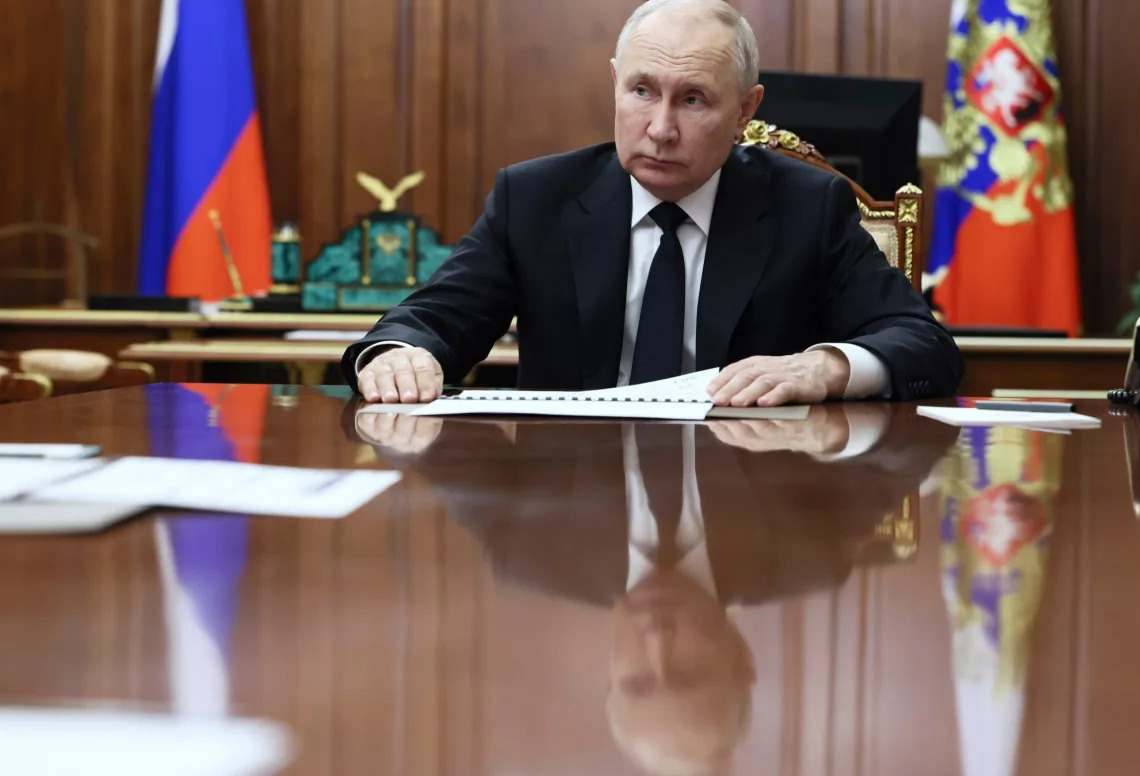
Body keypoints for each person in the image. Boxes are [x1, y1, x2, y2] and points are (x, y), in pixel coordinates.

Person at [344, 0, 962, 406]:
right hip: (571, 505)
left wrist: (823, 367)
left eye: (693, 100)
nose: (660, 128)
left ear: (747, 108)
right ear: (615, 80)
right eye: (642, 91)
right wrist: (400, 354)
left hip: (754, 504)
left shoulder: (807, 205)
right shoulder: (535, 199)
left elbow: (922, 343)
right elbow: (430, 320)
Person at [345, 402, 959, 775]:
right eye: (686, 672)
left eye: (639, 680)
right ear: (741, 658)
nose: (657, 642)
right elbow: (913, 450)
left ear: (610, 673)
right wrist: (834, 394)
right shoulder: (808, 552)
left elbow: (428, 447)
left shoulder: (529, 552)